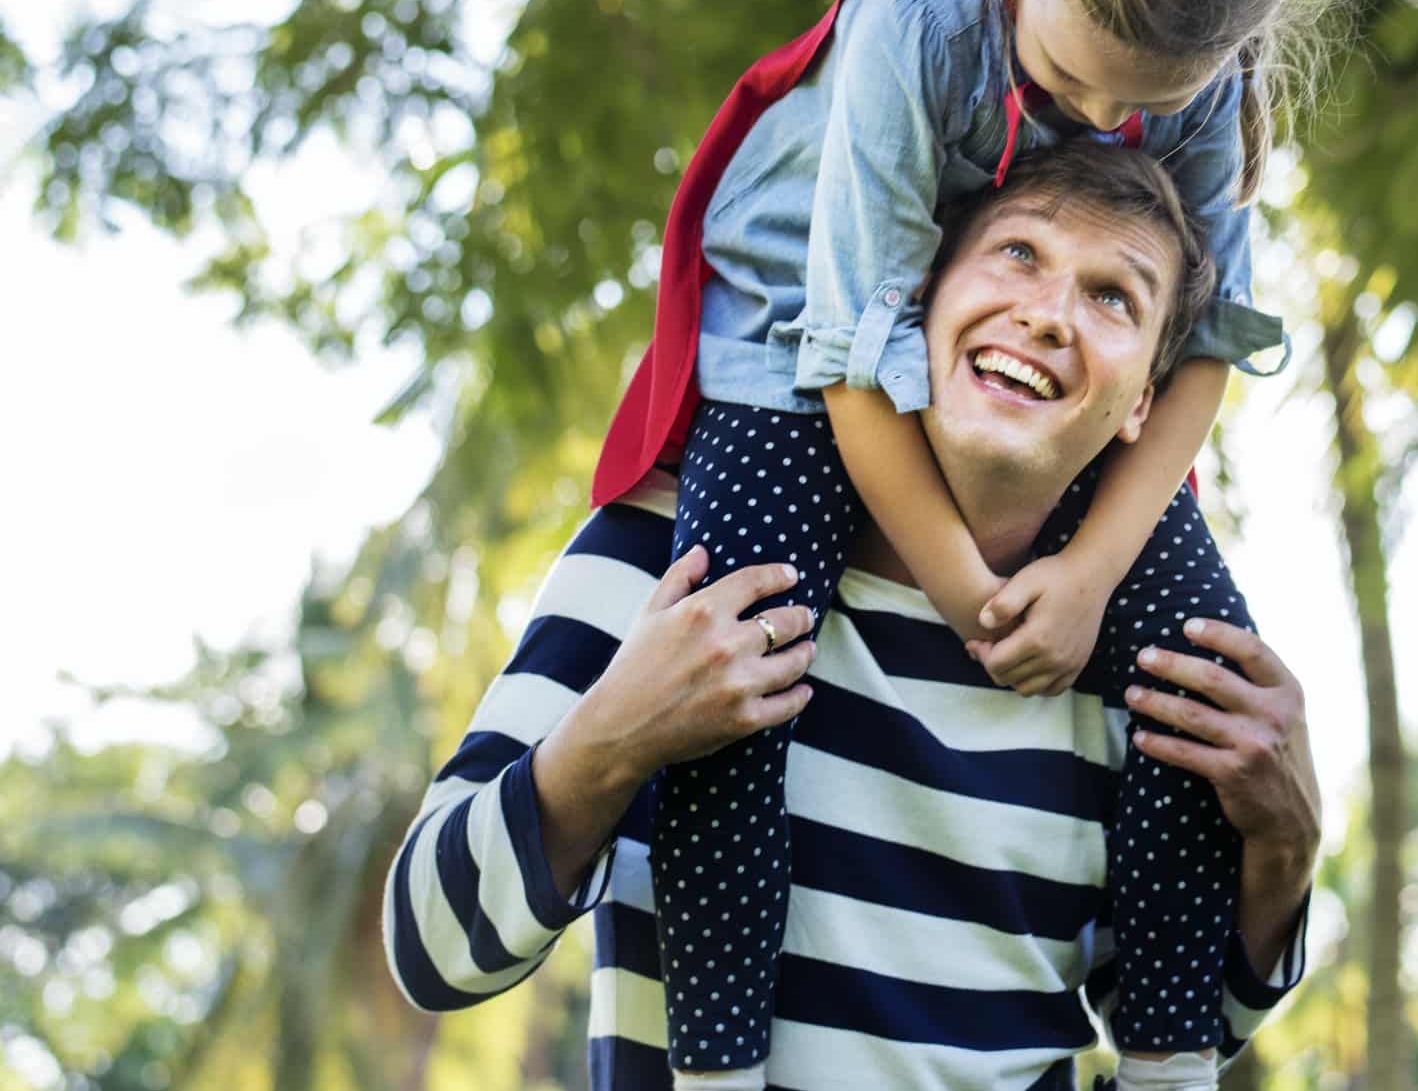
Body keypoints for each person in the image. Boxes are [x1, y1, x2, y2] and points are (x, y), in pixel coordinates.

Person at [585, 0, 1335, 1087]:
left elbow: (1207, 347)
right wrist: (976, 599)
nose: (1102, 124)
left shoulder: (1207, 82)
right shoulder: (915, 23)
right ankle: (711, 1071)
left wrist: (1095, 575)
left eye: (1140, 103)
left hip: (983, 343)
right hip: (797, 343)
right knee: (739, 671)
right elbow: (849, 351)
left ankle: (1169, 1062)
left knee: (1200, 685)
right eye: (1067, 81)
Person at [385, 143, 1324, 1089]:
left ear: (1147, 408)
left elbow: (1182, 1022)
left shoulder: (1133, 648)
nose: (1047, 314)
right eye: (1017, 254)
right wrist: (610, 738)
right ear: (915, 302)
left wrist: (1285, 849)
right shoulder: (671, 554)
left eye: (1113, 296)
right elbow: (432, 949)